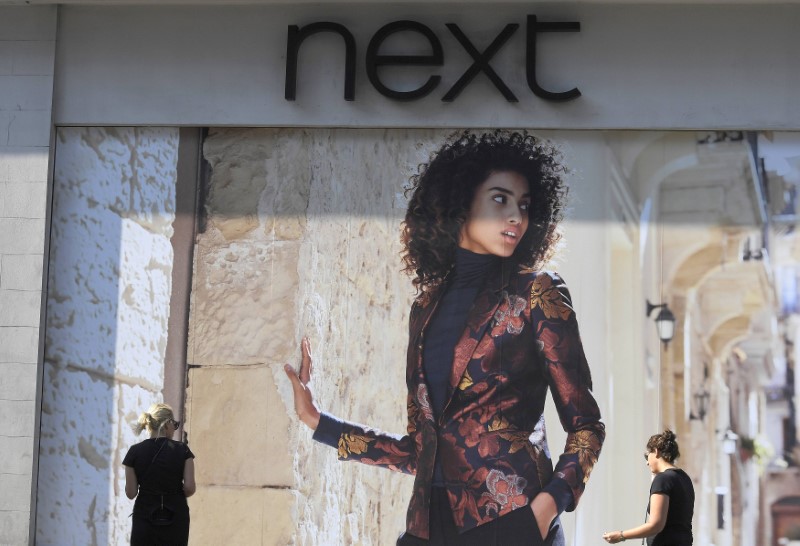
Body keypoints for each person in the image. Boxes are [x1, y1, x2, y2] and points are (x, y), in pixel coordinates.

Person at [285, 130, 605, 545]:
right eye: (500, 199)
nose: (516, 217)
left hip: (509, 524)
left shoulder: (537, 292)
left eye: (524, 206)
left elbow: (586, 425)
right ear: (460, 202)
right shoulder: (426, 309)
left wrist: (543, 512)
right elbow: (421, 450)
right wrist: (317, 420)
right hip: (426, 527)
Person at [602, 430, 695, 545]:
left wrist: (621, 535)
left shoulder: (663, 479)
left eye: (647, 456)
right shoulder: (684, 477)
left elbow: (656, 524)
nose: (647, 463)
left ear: (656, 451)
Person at [123, 402, 196, 546]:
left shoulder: (134, 452)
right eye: (175, 425)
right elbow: (189, 488)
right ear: (167, 423)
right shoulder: (183, 450)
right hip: (175, 516)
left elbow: (131, 493)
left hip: (145, 515)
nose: (175, 429)